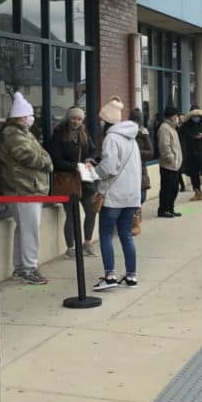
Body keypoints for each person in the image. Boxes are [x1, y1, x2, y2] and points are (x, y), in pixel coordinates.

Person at [0, 91, 53, 285]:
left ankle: (21, 267)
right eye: (29, 115)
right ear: (21, 116)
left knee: (24, 229)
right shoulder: (11, 134)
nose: (32, 119)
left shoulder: (24, 133)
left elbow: (41, 151)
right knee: (30, 230)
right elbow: (29, 156)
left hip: (29, 188)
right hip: (22, 189)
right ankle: (29, 268)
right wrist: (47, 163)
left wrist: (45, 158)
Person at [92, 96, 142, 291]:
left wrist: (93, 172)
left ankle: (110, 275)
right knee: (126, 236)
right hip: (131, 196)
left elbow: (109, 167)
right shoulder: (132, 140)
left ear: (106, 122)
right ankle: (131, 276)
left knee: (105, 234)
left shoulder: (111, 138)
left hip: (114, 196)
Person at [49, 106, 100, 259]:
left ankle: (88, 244)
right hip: (69, 179)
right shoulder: (58, 135)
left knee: (90, 211)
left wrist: (90, 161)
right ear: (68, 118)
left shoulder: (84, 133)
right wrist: (74, 167)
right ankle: (70, 248)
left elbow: (93, 150)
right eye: (73, 118)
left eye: (79, 119)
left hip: (85, 179)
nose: (76, 121)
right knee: (71, 215)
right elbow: (55, 159)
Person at [128, 109, 153, 236]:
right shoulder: (126, 133)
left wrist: (137, 153)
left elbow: (150, 153)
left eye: (138, 121)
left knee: (142, 196)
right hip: (130, 170)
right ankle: (134, 222)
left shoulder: (144, 134)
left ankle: (136, 214)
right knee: (134, 198)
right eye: (134, 120)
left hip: (141, 169)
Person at [157, 106, 183, 218]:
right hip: (168, 165)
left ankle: (170, 208)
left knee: (174, 188)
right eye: (176, 116)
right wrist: (171, 158)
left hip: (175, 165)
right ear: (172, 116)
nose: (177, 118)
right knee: (167, 188)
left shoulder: (173, 128)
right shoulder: (165, 128)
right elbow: (164, 146)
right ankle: (163, 209)